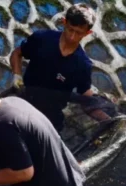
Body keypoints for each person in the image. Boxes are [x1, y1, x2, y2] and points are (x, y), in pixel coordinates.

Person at [9, 3, 96, 131]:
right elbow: (17, 53)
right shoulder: (42, 38)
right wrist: (17, 75)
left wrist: (102, 108)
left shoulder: (83, 65)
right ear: (64, 22)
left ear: (88, 33)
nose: (72, 37)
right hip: (23, 102)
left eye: (78, 33)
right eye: (70, 29)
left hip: (49, 120)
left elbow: (85, 93)